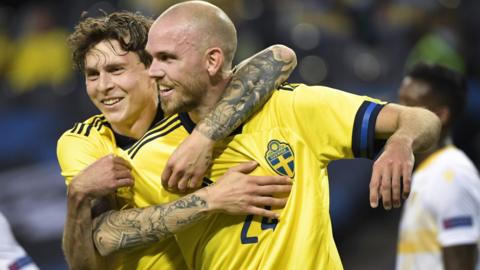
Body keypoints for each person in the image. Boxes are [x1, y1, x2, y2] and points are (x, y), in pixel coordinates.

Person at [89, 1, 442, 269]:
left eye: (166, 59)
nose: (152, 72)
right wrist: (210, 201)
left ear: (212, 61)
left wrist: (400, 141)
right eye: (150, 60)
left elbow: (422, 119)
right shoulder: (150, 150)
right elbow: (104, 235)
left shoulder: (295, 109)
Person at [57, 11, 297, 270]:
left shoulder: (193, 112)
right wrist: (211, 199)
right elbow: (101, 238)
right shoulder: (83, 141)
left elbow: (280, 57)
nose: (103, 86)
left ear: (152, 68)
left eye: (116, 70)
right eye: (92, 75)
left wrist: (203, 138)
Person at [396, 63, 480, 270]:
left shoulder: (451, 173)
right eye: (398, 101)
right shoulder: (427, 171)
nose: (398, 113)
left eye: (409, 105)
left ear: (441, 115)